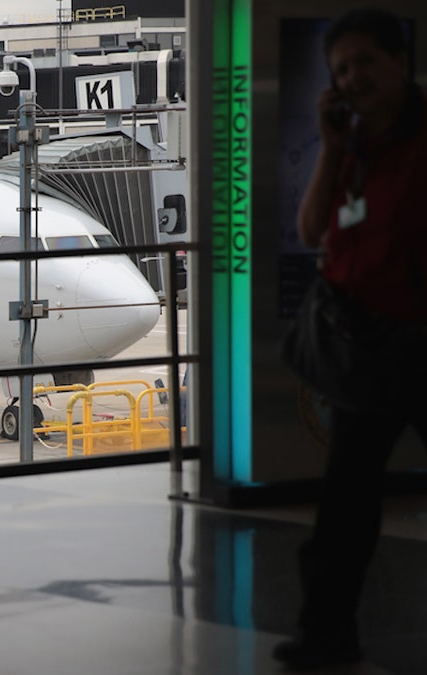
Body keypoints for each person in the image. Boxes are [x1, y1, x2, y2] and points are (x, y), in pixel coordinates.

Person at [279, 8, 427, 671]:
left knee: (346, 502)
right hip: (366, 353)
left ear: (401, 61)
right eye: (341, 69)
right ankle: (325, 633)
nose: (353, 77)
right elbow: (312, 229)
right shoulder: (353, 146)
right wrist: (332, 146)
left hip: (422, 344)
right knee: (343, 511)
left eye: (365, 61)